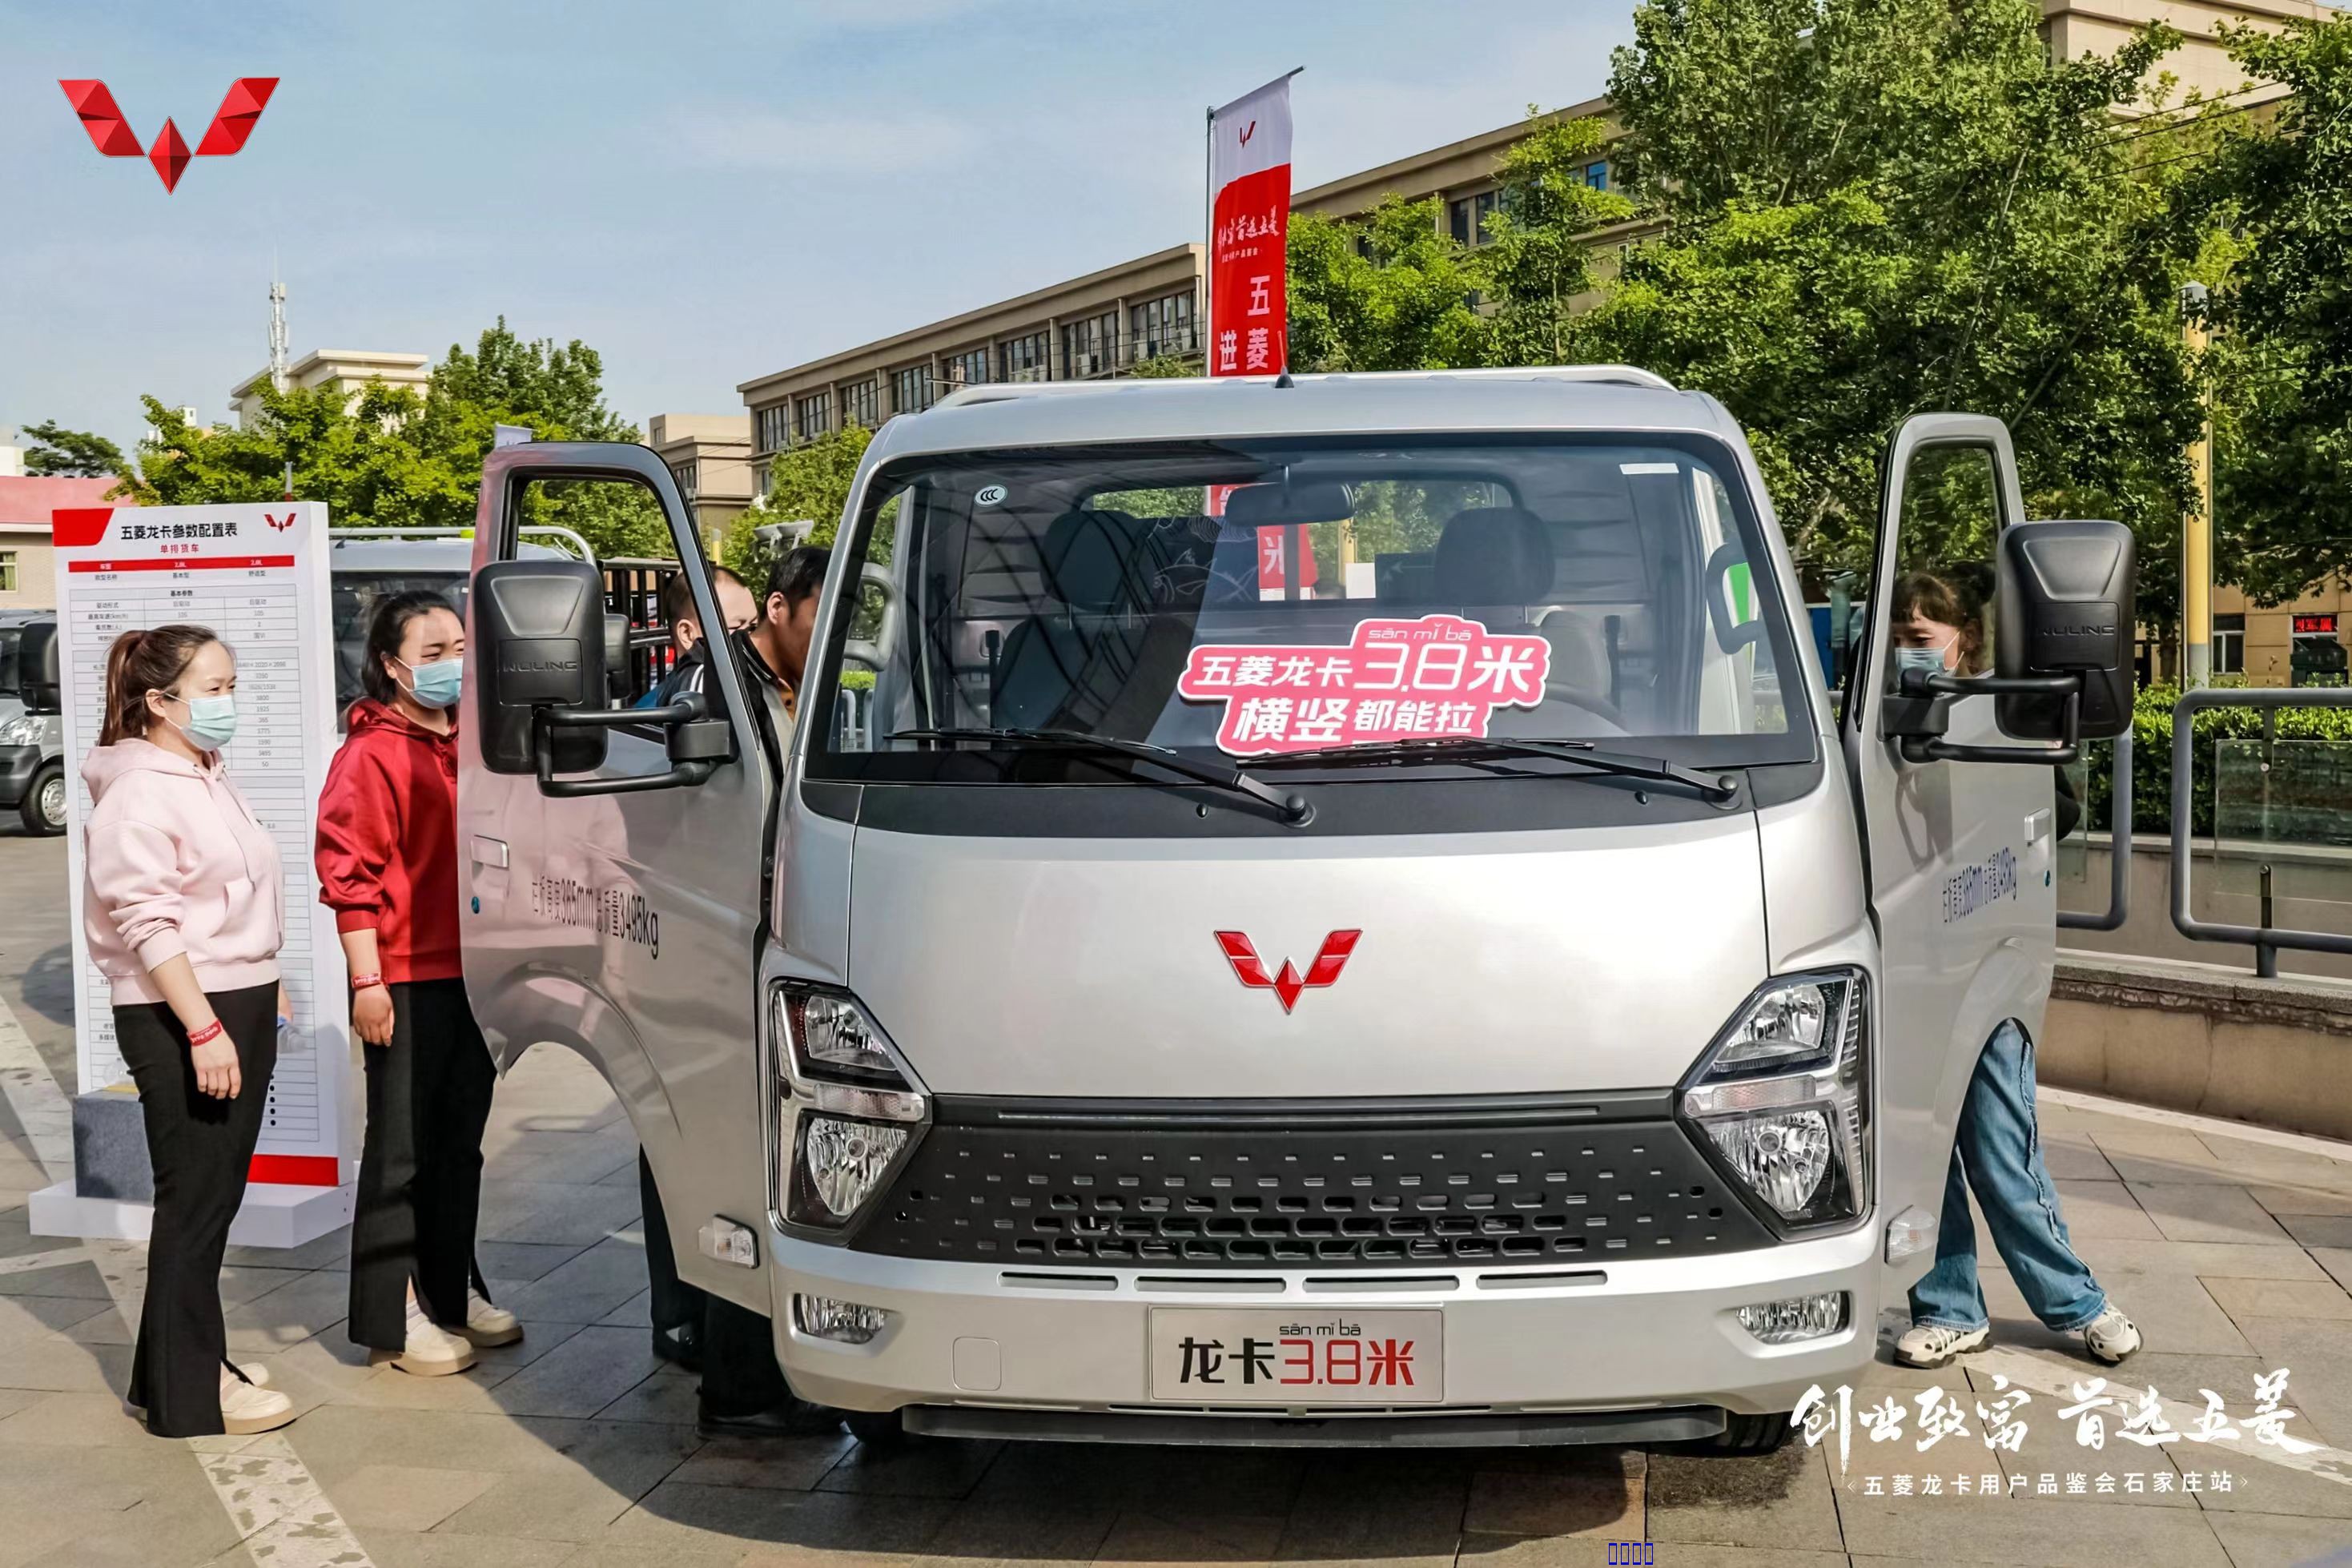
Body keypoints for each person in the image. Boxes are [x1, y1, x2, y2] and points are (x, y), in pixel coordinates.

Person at [1886, 572, 2139, 1369]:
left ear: (1963, 638)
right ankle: (1948, 1305)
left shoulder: (2004, 716)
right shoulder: (1872, 724)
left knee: (1999, 1144)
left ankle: (2078, 1301)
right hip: (1909, 966)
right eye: (1895, 641)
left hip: (1989, 961)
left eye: (1920, 639)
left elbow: (2052, 808)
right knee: (1920, 1151)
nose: (1906, 655)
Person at [633, 546, 840, 1437]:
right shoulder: (715, 690)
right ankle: (742, 1384)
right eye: (819, 614)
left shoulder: (798, 689)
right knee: (739, 1165)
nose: (831, 635)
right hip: (719, 957)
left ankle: (727, 1352)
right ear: (779, 607)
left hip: (768, 953)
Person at [82, 625, 297, 1437]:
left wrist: (265, 979)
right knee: (196, 1203)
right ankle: (191, 1392)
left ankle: (168, 1371)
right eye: (212, 688)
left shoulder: (205, 771)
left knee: (211, 1197)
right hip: (182, 1010)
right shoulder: (138, 791)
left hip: (233, 997)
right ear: (159, 700)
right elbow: (147, 921)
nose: (226, 702)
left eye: (230, 685)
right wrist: (204, 1029)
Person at [317, 589, 517, 1377]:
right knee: (398, 1152)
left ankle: (450, 1286)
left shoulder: (474, 741)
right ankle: (393, 1315)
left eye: (460, 649)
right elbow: (350, 877)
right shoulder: (369, 754)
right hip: (402, 977)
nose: (452, 665)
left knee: (459, 1145)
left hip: (474, 973)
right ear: (391, 666)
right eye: (433, 654)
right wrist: (366, 981)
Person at [637, 566, 756, 710]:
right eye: (736, 627)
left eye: (753, 627)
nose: (750, 637)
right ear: (687, 634)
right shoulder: (698, 690)